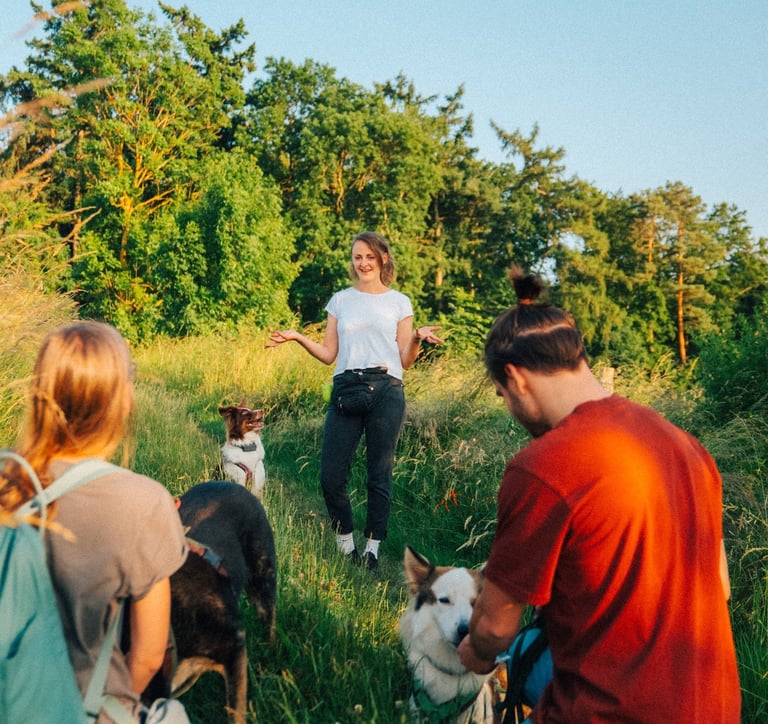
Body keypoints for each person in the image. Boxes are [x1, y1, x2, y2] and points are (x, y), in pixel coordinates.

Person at [457, 267, 741, 722]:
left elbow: (494, 627)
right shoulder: (689, 448)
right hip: (717, 707)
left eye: (502, 394)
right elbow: (719, 589)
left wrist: (475, 653)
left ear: (517, 377)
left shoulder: (543, 466)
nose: (509, 409)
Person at [0, 321, 188, 722]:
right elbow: (151, 655)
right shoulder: (146, 502)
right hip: (89, 708)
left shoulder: (5, 478)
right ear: (121, 400)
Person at [267, 231, 442, 572]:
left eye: (369, 257)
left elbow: (406, 360)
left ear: (383, 260)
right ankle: (346, 542)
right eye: (357, 257)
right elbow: (329, 353)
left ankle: (373, 549)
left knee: (379, 474)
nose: (362, 263)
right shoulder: (341, 300)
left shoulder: (399, 302)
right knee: (331, 476)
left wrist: (418, 338)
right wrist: (297, 337)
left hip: (387, 390)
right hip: (346, 388)